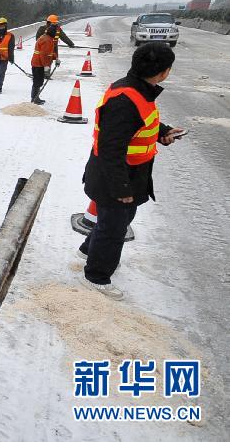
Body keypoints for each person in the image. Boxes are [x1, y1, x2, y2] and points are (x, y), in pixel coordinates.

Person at [78, 42, 183, 300]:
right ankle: (96, 275)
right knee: (114, 228)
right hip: (115, 176)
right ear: (164, 72)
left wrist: (162, 132)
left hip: (131, 174)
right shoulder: (127, 99)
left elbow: (141, 123)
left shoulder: (139, 90)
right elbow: (111, 149)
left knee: (118, 221)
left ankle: (88, 250)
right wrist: (121, 189)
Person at [30, 24, 61, 104]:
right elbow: (43, 55)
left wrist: (55, 58)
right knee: (38, 82)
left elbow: (49, 53)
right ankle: (34, 98)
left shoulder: (47, 38)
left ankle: (36, 97)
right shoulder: (47, 40)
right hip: (38, 64)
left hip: (38, 63)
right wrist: (46, 66)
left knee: (38, 81)